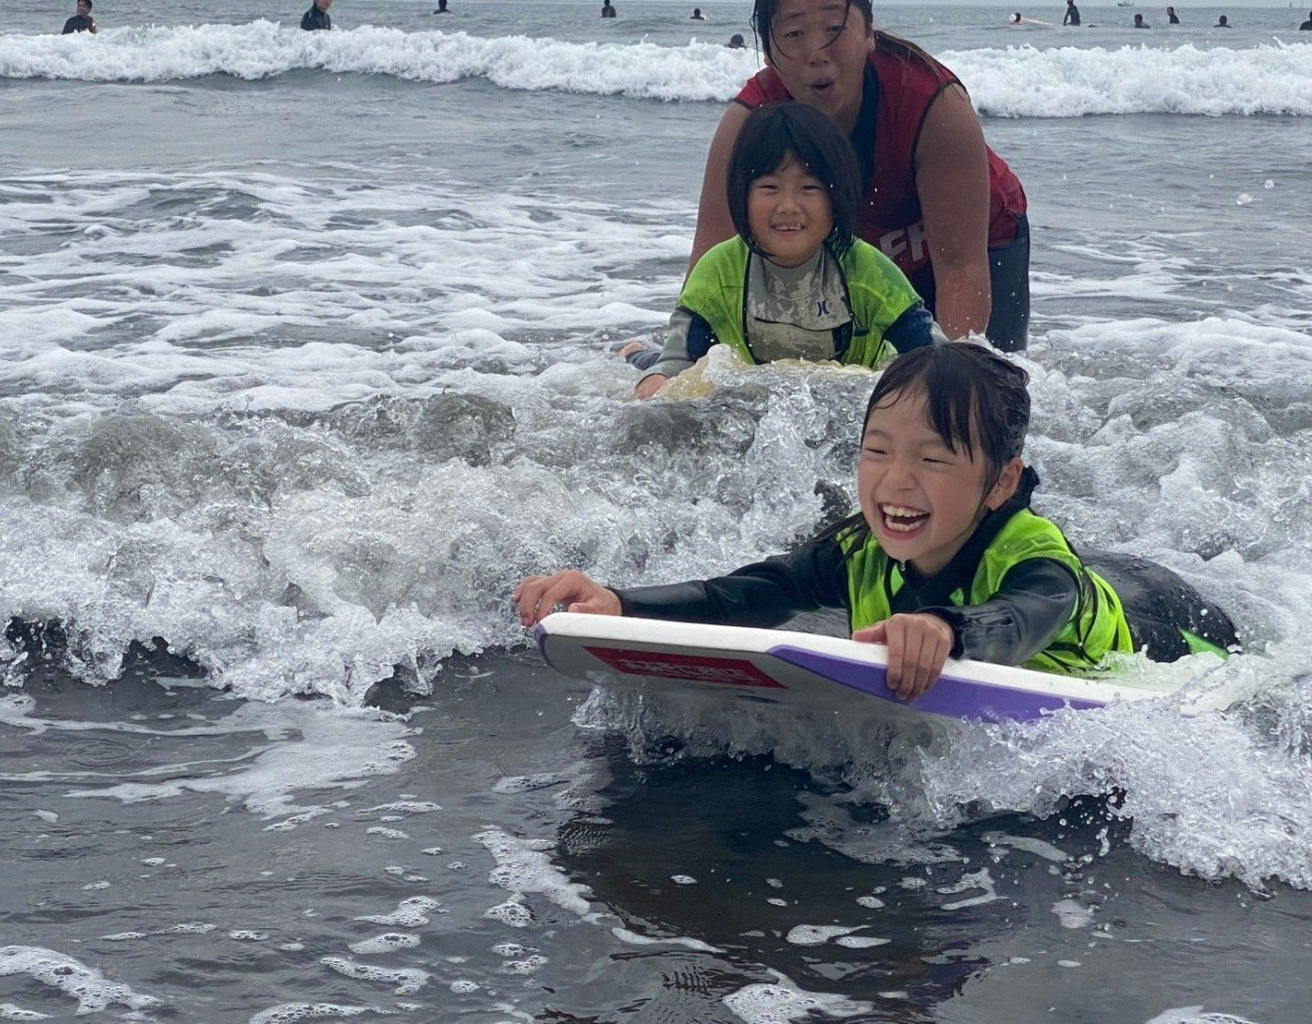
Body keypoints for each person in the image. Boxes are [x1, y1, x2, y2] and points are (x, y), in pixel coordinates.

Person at [517, 343, 1241, 698]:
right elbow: (748, 594)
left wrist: (949, 630)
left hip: (1167, 621)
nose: (896, 482)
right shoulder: (861, 548)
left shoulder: (1035, 562)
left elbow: (1026, 618)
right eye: (877, 451)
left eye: (934, 460)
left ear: (1001, 482)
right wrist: (620, 603)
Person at [691, 0, 1031, 356]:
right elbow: (707, 285)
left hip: (976, 246)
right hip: (859, 261)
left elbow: (960, 270)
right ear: (769, 54)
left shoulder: (933, 103)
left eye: (834, 28)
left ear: (869, 32)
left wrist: (952, 386)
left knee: (992, 377)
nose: (816, 53)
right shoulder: (749, 123)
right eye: (794, 33)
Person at [629, 104, 939, 398]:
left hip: (847, 393)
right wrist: (658, 384)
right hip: (748, 395)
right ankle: (634, 354)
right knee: (652, 373)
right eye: (769, 188)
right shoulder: (717, 273)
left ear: (837, 198)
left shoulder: (870, 273)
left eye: (809, 188)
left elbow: (938, 358)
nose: (788, 207)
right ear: (742, 196)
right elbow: (677, 363)